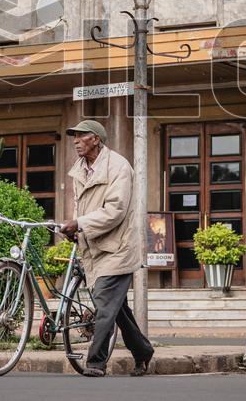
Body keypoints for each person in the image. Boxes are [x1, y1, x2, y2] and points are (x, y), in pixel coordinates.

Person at [60, 119, 154, 378]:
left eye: (81, 136)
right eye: (74, 137)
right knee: (117, 309)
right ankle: (143, 351)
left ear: (96, 140)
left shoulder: (119, 167)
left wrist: (80, 223)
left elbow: (115, 211)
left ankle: (96, 362)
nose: (76, 141)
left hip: (119, 247)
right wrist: (77, 230)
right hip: (95, 245)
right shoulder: (80, 168)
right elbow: (82, 207)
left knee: (104, 304)